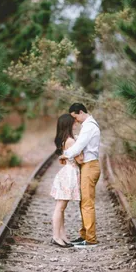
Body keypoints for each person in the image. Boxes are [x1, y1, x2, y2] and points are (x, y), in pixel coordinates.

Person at [60, 103, 100, 248]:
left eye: (75, 117)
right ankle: (84, 235)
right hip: (88, 166)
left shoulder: (89, 126)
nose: (75, 121)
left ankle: (90, 239)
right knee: (83, 202)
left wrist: (65, 155)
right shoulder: (88, 125)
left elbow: (78, 147)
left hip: (90, 166)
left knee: (87, 203)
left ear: (81, 112)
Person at [50, 113, 83, 248]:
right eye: (73, 122)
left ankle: (62, 235)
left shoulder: (66, 139)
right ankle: (56, 236)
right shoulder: (71, 140)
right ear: (68, 124)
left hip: (66, 172)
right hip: (69, 174)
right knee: (60, 207)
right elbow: (80, 159)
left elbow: (65, 158)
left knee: (61, 208)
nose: (75, 123)